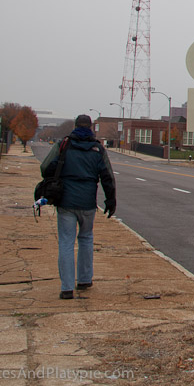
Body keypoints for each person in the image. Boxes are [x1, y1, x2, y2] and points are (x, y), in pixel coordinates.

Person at [41, 114, 116, 299]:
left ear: (75, 126)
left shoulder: (64, 145)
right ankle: (84, 279)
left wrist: (60, 170)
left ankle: (67, 288)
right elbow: (107, 177)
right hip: (88, 202)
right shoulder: (98, 149)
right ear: (91, 127)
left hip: (66, 201)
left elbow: (45, 168)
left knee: (66, 242)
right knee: (86, 238)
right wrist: (110, 200)